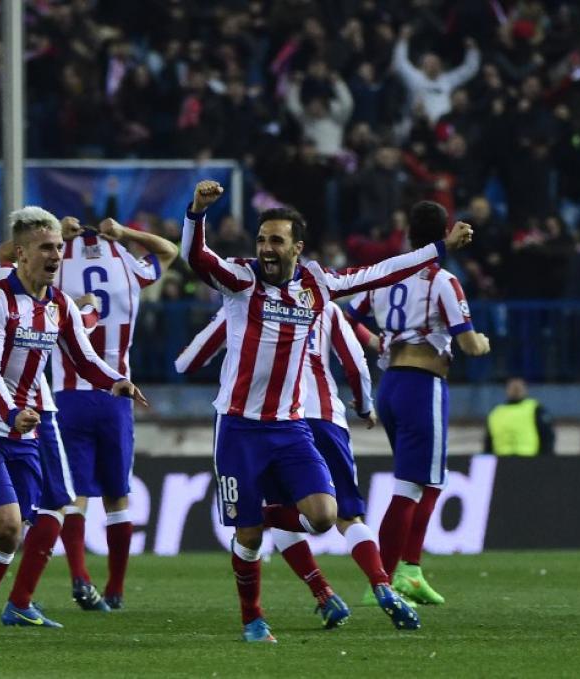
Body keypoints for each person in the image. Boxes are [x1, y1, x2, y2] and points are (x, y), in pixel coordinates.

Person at [183, 180, 473, 642]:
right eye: (261, 240)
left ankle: (255, 516)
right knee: (251, 538)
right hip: (238, 426)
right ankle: (253, 618)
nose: (266, 249)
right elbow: (197, 259)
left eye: (276, 240)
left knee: (323, 515)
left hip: (291, 425)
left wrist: (438, 248)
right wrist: (197, 213)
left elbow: (382, 271)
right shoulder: (242, 280)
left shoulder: (317, 284)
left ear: (297, 247)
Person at [0, 207, 146, 653]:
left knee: (12, 531)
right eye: (46, 247)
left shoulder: (59, 304)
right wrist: (9, 413)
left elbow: (83, 357)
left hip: (27, 428)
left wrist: (115, 381)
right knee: (3, 526)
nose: (56, 254)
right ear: (20, 255)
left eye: (58, 246)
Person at [175, 303, 419, 631]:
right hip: (326, 418)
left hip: (274, 419)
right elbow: (354, 361)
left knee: (281, 514)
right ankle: (381, 585)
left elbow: (189, 361)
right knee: (348, 516)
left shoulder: (244, 305)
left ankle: (323, 593)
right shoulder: (326, 307)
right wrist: (363, 406)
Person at [348, 200, 490, 607]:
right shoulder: (442, 280)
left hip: (391, 384)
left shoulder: (385, 278)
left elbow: (348, 316)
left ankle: (410, 569)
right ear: (443, 233)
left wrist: (377, 342)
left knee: (429, 479)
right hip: (423, 384)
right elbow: (467, 343)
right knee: (411, 485)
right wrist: (482, 343)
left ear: (409, 233)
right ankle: (384, 581)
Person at [52, 215, 178, 611]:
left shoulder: (54, 262)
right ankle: (116, 588)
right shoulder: (127, 263)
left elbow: (5, 255)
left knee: (75, 497)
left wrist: (55, 231)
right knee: (117, 496)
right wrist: (127, 233)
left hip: (69, 393)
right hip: (115, 393)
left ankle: (79, 575)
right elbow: (169, 251)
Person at [393, 26, 480, 124]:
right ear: (423, 66)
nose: (432, 65)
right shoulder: (415, 78)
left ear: (440, 65)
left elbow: (469, 70)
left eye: (435, 63)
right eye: (429, 63)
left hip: (441, 128)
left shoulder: (447, 80)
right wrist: (403, 40)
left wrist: (472, 50)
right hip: (417, 125)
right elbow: (400, 63)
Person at [484, 377, 555, 456]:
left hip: (529, 461)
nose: (516, 390)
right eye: (513, 387)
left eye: (519, 387)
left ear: (526, 390)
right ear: (506, 390)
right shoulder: (496, 413)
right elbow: (488, 443)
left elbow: (547, 437)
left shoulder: (535, 409)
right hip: (502, 461)